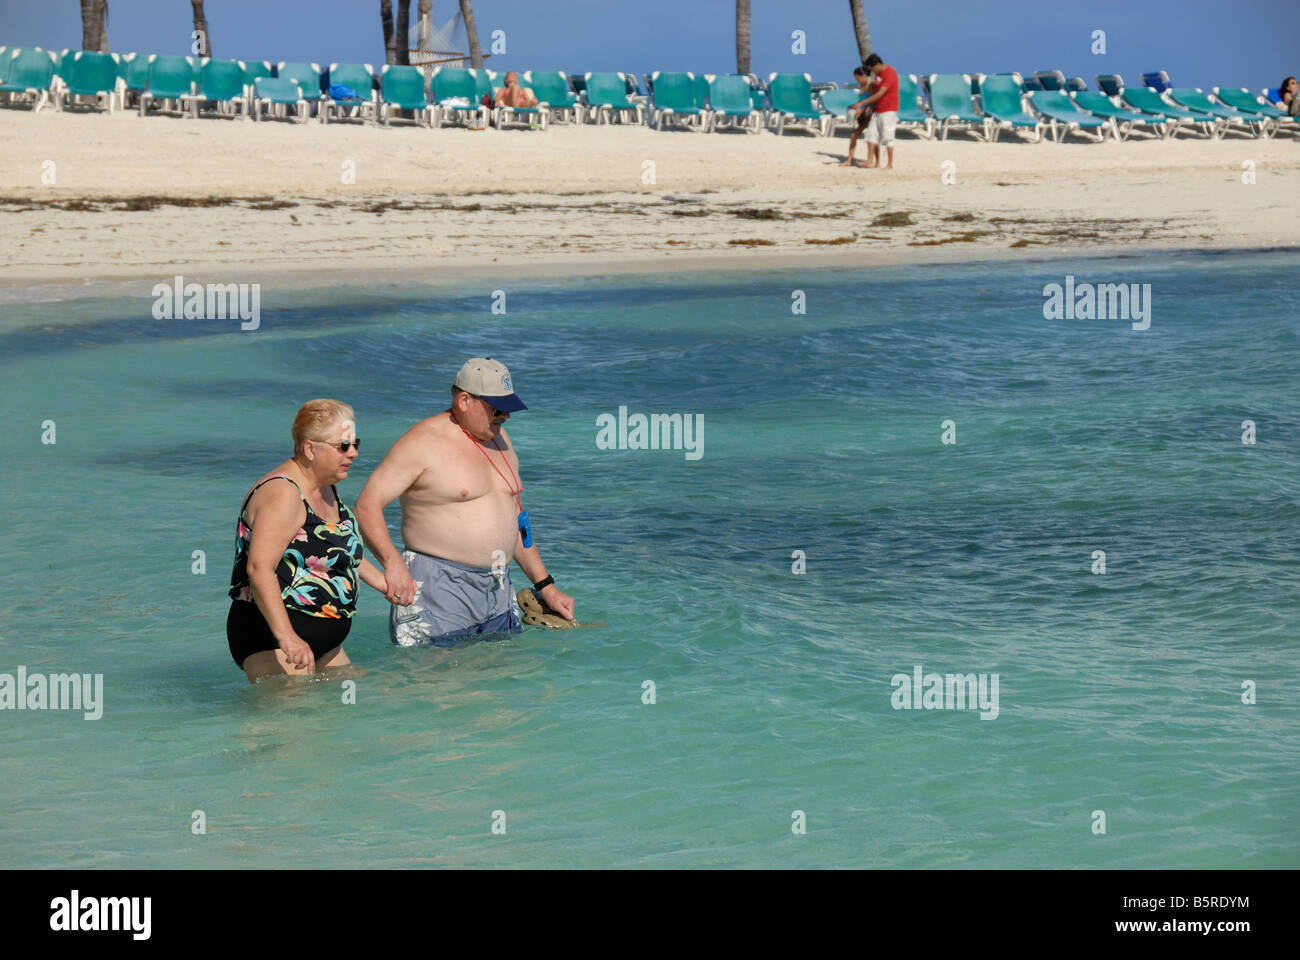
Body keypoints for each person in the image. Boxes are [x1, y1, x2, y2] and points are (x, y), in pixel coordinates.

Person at [356, 358, 575, 647]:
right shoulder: (423, 442)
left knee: (503, 682)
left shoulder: (501, 439)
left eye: (509, 408)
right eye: (498, 408)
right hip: (438, 588)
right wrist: (392, 563)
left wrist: (546, 586)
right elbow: (367, 505)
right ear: (464, 400)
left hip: (498, 587)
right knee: (443, 683)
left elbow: (516, 523)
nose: (506, 416)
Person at [227, 399, 389, 683]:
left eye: (355, 443)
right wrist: (287, 637)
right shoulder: (283, 494)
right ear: (310, 448)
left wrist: (385, 583)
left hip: (321, 642)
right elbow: (259, 569)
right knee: (290, 725)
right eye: (343, 446)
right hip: (272, 639)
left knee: (355, 710)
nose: (353, 453)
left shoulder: (325, 486)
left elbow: (336, 548)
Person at [858, 53, 899, 170]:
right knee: (871, 134)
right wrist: (867, 85)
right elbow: (873, 92)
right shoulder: (878, 75)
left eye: (873, 68)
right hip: (877, 109)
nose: (873, 71)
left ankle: (890, 164)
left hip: (889, 109)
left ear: (878, 64)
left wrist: (862, 103)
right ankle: (870, 161)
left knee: (888, 136)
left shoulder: (890, 73)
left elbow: (880, 93)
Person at [839, 65, 877, 168]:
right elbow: (863, 100)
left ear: (864, 75)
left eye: (858, 78)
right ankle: (849, 160)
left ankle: (876, 162)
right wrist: (854, 106)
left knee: (871, 137)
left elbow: (875, 101)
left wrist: (862, 109)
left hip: (871, 114)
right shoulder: (863, 85)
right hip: (862, 115)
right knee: (854, 136)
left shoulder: (871, 85)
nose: (857, 80)